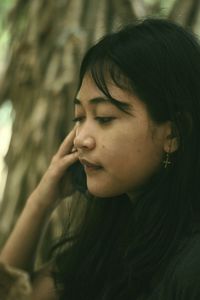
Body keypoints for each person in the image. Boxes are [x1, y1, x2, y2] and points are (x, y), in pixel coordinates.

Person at [1, 17, 200, 300]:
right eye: (79, 118)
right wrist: (41, 202)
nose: (81, 139)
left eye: (104, 118)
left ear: (173, 134)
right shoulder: (110, 241)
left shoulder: (190, 265)